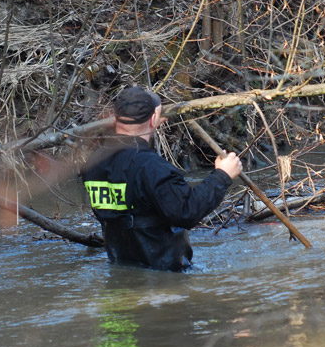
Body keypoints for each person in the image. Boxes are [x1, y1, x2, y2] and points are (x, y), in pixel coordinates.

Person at [82, 86, 242, 271]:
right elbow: (187, 212)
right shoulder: (152, 167)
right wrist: (222, 176)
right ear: (153, 120)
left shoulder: (93, 163)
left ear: (116, 119)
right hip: (162, 277)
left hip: (121, 270)